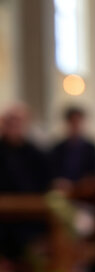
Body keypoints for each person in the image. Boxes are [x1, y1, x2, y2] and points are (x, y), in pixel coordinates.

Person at [0, 103, 51, 258]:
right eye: (10, 121)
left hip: (30, 219)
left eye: (18, 121)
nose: (14, 126)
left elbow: (46, 185)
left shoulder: (37, 154)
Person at [49, 106, 95, 194]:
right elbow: (52, 175)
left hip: (85, 195)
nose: (76, 125)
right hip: (61, 193)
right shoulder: (57, 149)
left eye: (78, 122)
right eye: (73, 122)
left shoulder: (91, 149)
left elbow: (93, 177)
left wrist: (74, 185)